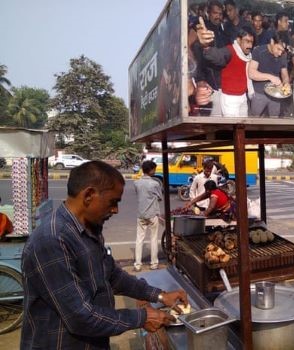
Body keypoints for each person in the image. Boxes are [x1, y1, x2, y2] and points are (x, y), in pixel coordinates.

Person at [21, 161, 188, 349]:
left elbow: (113, 276)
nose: (116, 210)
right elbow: (80, 317)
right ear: (89, 195)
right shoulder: (51, 240)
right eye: (113, 202)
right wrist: (141, 317)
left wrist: (159, 296)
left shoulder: (90, 228)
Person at [198, 21, 254, 117]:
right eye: (247, 41)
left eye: (251, 42)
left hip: (243, 97)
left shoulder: (248, 55)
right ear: (239, 40)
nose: (250, 45)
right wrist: (206, 47)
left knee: (242, 126)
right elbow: (217, 56)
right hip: (230, 99)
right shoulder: (230, 51)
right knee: (232, 128)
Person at [248, 34, 290, 117]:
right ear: (272, 42)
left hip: (276, 95)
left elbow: (284, 73)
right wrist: (271, 77)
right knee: (254, 121)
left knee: (273, 121)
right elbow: (251, 73)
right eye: (278, 49)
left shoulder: (283, 55)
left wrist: (286, 83)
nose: (280, 53)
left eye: (282, 51)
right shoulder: (258, 51)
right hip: (259, 93)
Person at [134, 160, 163, 272]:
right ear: (151, 170)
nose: (155, 171)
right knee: (153, 238)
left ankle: (137, 264)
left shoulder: (137, 183)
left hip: (141, 214)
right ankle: (154, 263)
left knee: (139, 239)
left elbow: (139, 195)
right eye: (154, 169)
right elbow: (160, 197)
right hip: (152, 214)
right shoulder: (155, 184)